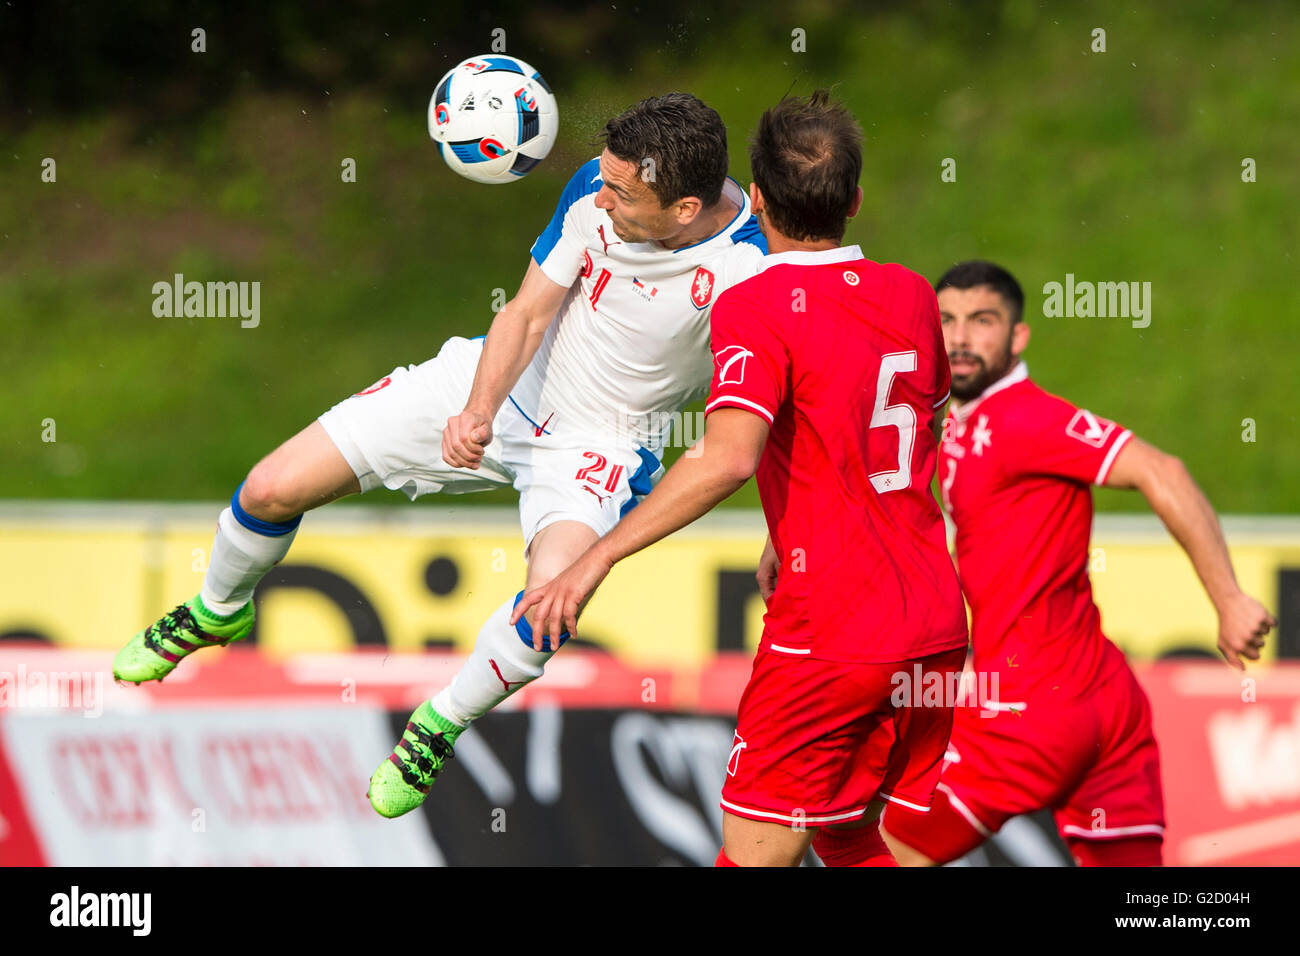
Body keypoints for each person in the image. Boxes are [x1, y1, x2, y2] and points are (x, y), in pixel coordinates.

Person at [112, 92, 767, 819]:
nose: (601, 196)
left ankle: (440, 722)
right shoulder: (596, 186)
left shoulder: (751, 273)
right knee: (270, 488)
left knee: (551, 605)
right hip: (493, 379)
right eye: (605, 181)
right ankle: (217, 610)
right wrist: (479, 408)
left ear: (683, 209)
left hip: (599, 445)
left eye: (621, 192)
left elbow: (751, 430)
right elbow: (527, 312)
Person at [516, 90, 969, 867]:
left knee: (753, 855)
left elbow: (727, 455)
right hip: (933, 625)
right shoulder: (913, 293)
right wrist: (782, 528)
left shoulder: (758, 303)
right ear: (855, 200)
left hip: (831, 633)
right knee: (849, 833)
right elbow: (906, 427)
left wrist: (596, 556)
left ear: (754, 199)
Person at [880, 260, 1277, 866]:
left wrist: (1229, 600)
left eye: (981, 322)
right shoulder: (959, 422)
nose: (959, 338)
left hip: (1029, 707)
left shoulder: (1023, 418)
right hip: (1105, 704)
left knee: (883, 849)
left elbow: (1161, 469)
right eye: (947, 321)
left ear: (1017, 338)